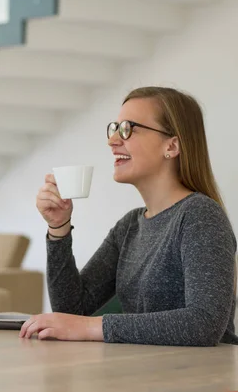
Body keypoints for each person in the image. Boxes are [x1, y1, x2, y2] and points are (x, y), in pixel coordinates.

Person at [21, 86, 238, 346]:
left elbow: (204, 323)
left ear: (172, 145)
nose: (113, 141)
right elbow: (71, 309)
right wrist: (59, 228)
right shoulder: (129, 227)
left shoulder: (200, 216)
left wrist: (93, 327)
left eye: (128, 128)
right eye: (114, 128)